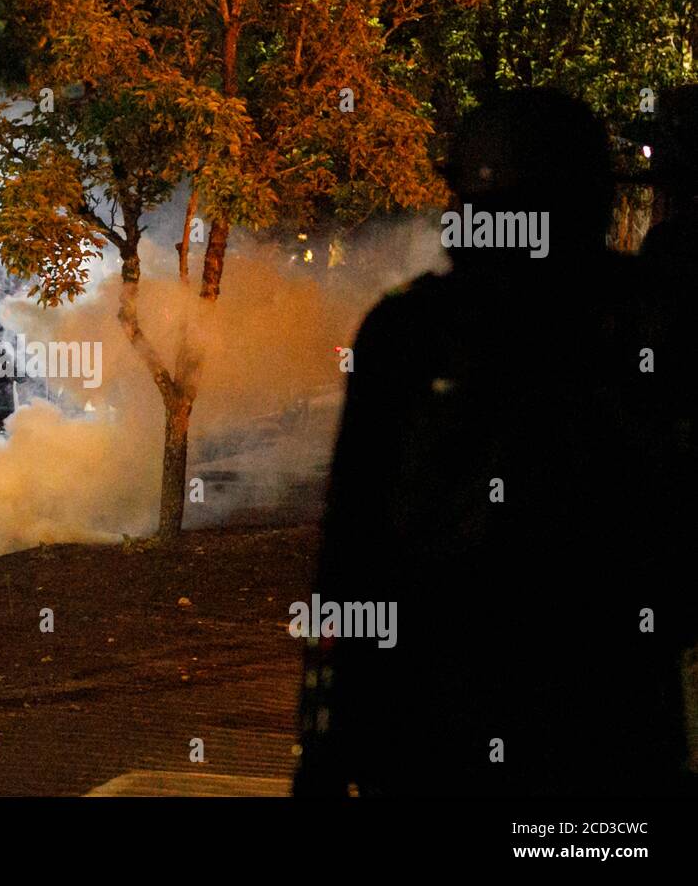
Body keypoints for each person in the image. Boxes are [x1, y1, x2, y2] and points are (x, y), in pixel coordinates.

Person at [293, 89, 696, 796]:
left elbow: (350, 560)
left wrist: (326, 740)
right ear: (590, 201)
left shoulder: (409, 331)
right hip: (599, 735)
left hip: (435, 731)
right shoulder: (648, 322)